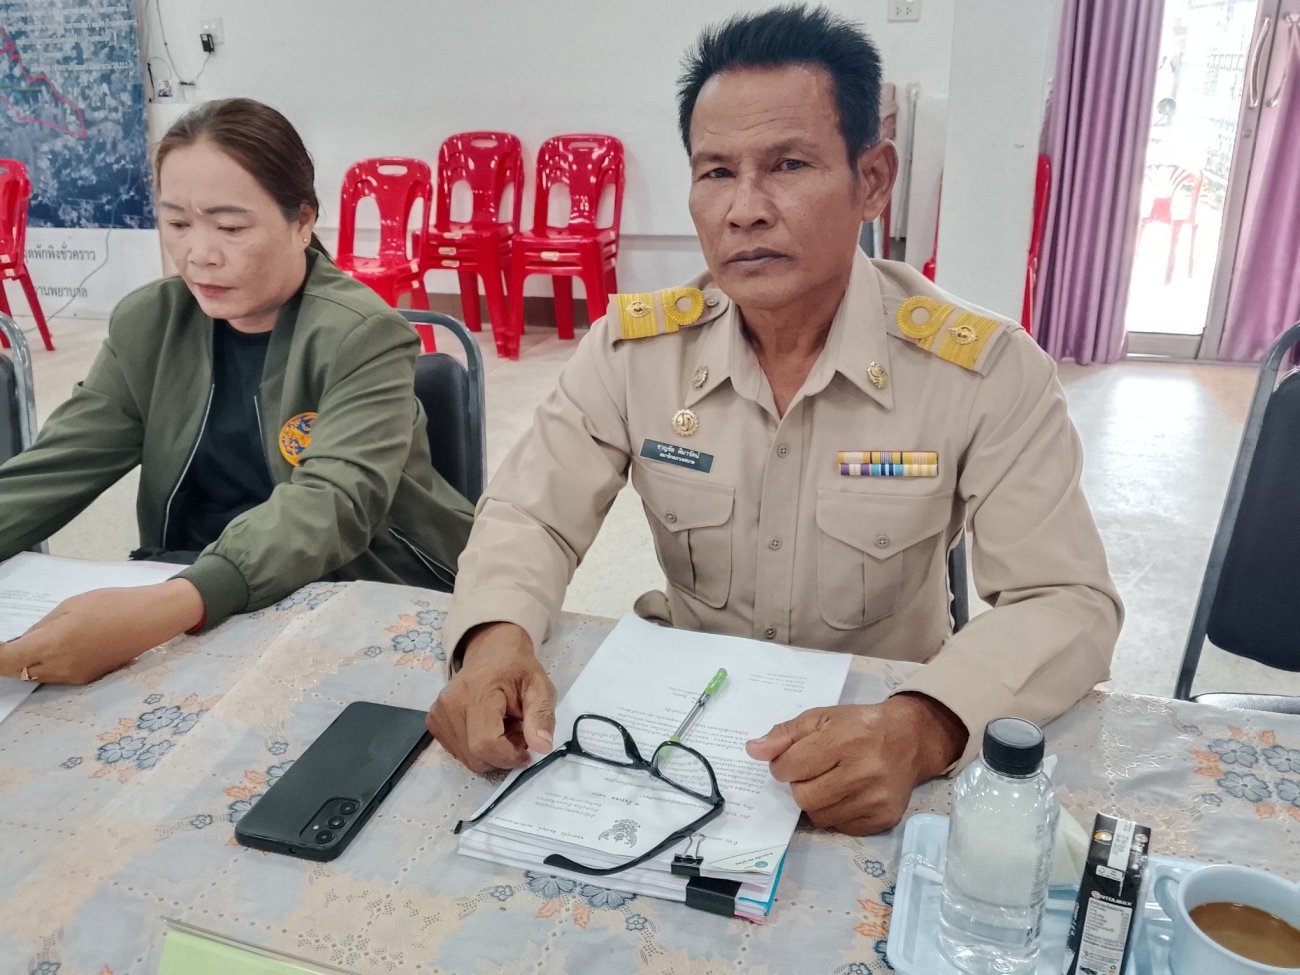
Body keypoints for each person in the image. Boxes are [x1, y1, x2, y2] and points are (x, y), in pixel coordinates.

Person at [426, 5, 1122, 836]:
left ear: (872, 180)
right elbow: (530, 514)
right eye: (716, 171)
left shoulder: (983, 370)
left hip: (880, 737)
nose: (744, 209)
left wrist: (925, 724)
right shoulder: (634, 350)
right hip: (685, 729)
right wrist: (495, 636)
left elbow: (1066, 599)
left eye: (788, 164)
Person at [0, 98, 474, 686]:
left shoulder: (362, 334)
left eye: (230, 228)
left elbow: (331, 505)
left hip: (356, 586)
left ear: (302, 222)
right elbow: (60, 463)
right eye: (177, 224)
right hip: (196, 590)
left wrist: (171, 605)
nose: (199, 254)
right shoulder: (150, 325)